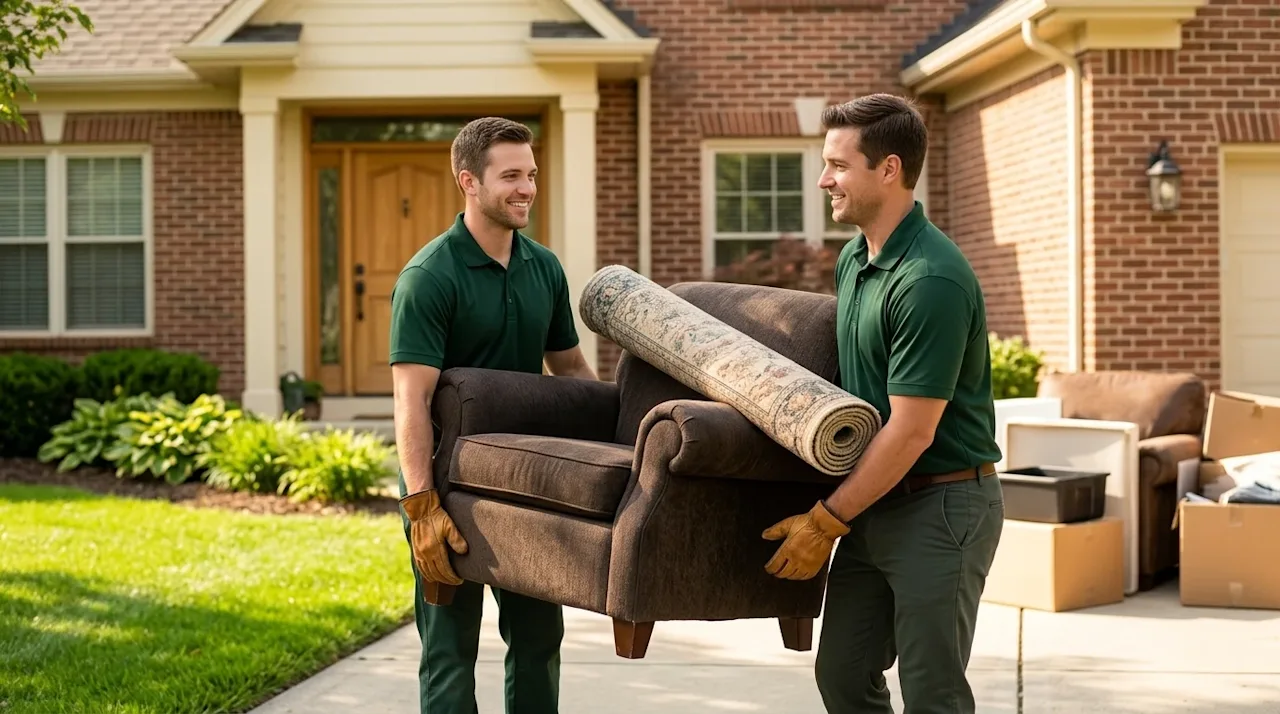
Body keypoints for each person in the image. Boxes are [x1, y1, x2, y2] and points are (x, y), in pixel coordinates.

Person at [759, 93, 1005, 714]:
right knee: (842, 674)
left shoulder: (929, 280)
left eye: (838, 165)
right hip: (874, 503)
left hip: (943, 506)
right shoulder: (854, 260)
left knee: (933, 693)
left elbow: (913, 431)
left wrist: (824, 522)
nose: (823, 180)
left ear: (888, 169)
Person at [388, 116, 597, 714]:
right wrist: (421, 505)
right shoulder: (429, 278)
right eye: (511, 176)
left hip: (524, 479)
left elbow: (572, 371)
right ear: (469, 182)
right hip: (445, 485)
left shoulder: (545, 269)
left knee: (538, 638)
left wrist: (623, 436)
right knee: (450, 649)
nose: (527, 187)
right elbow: (410, 401)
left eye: (530, 174)